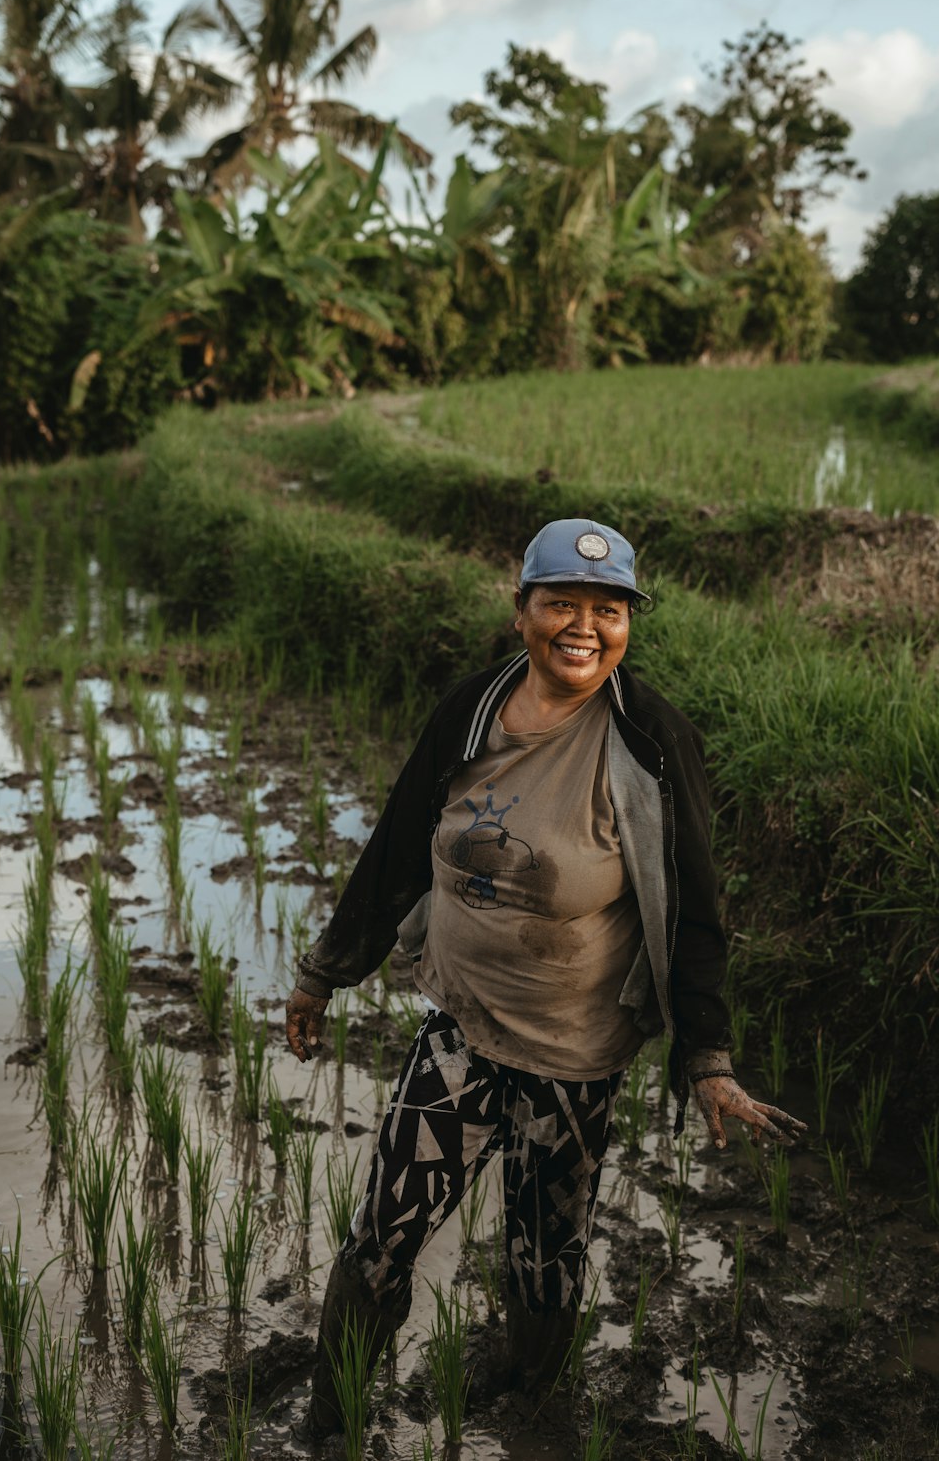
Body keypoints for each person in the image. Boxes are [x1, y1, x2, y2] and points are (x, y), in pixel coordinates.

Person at [285, 517, 805, 1437]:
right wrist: (325, 973)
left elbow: (693, 913)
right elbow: (402, 843)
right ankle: (331, 1421)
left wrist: (709, 1056)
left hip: (575, 1057)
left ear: (628, 623)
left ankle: (526, 1408)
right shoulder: (472, 711)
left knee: (543, 1256)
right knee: (383, 1240)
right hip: (463, 1030)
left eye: (608, 609)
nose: (584, 625)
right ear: (521, 609)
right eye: (561, 601)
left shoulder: (651, 743)